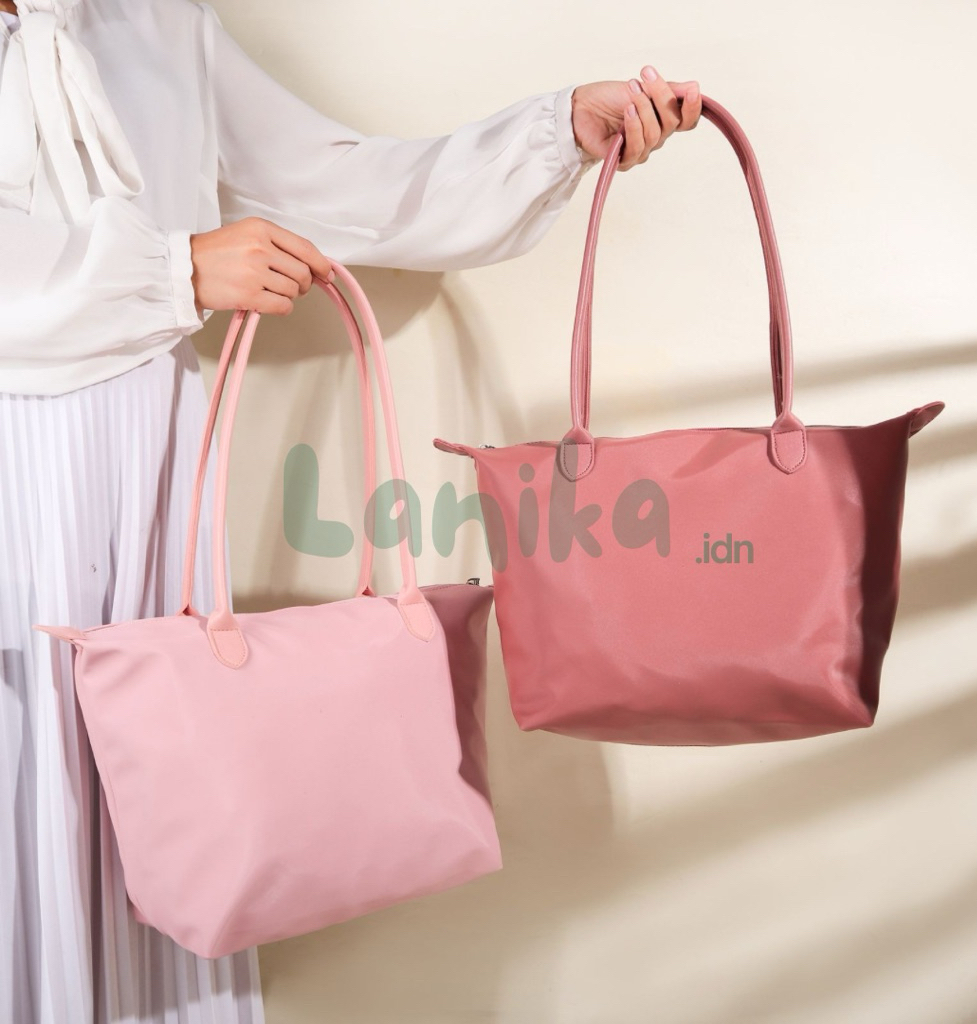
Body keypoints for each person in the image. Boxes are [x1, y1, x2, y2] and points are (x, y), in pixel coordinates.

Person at [0, 0, 702, 1020]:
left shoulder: (150, 19)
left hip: (145, 458)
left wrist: (555, 132)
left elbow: (336, 183)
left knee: (163, 793)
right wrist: (172, 268)